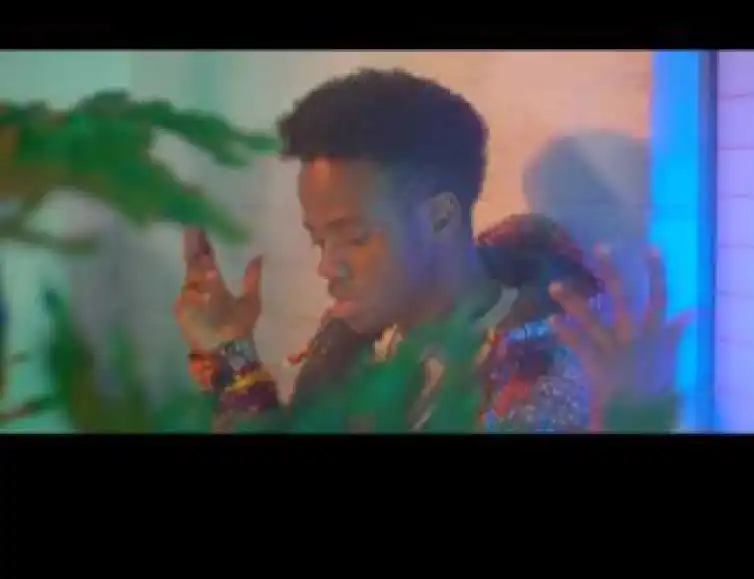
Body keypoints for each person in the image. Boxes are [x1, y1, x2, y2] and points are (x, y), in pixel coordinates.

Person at [175, 69, 686, 432]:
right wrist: (229, 353)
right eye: (318, 239)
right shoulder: (354, 341)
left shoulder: (547, 374)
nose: (326, 267)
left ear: (439, 215)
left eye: (356, 238)